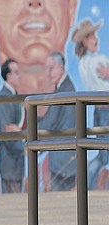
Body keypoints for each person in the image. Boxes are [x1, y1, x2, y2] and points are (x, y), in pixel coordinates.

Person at [72, 18, 109, 188]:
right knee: (103, 154)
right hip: (106, 109)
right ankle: (87, 186)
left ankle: (87, 186)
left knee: (103, 153)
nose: (96, 39)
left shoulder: (83, 63)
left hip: (99, 110)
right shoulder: (97, 61)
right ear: (85, 41)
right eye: (91, 36)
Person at [37, 52, 76, 191]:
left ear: (61, 67)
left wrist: (30, 127)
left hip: (62, 159)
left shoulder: (64, 90)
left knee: (60, 202)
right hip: (64, 157)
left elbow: (51, 121)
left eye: (51, 69)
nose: (48, 74)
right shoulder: (64, 87)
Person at [0, 58, 26, 193]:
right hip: (10, 162)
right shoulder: (3, 98)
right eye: (17, 73)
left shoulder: (16, 97)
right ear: (8, 76)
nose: (20, 76)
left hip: (17, 162)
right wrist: (25, 147)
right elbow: (7, 132)